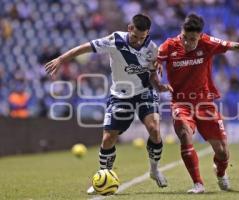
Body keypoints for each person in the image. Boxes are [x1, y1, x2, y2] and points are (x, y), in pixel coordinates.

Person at [154, 13, 239, 193]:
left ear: (200, 36)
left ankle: (220, 172)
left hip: (205, 103)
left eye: (193, 39)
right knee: (184, 133)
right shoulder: (168, 46)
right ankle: (198, 184)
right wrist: (155, 72)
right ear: (181, 32)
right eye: (186, 38)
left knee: (222, 152)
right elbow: (153, 61)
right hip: (180, 103)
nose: (188, 43)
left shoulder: (208, 43)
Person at [45, 14, 172, 195]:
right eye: (135, 36)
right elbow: (84, 48)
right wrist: (61, 59)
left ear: (147, 34)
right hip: (120, 95)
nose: (137, 41)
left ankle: (154, 170)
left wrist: (159, 86)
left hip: (144, 92)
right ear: (130, 28)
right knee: (107, 138)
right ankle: (102, 177)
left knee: (154, 129)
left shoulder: (152, 48)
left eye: (142, 38)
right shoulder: (115, 40)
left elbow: (152, 75)